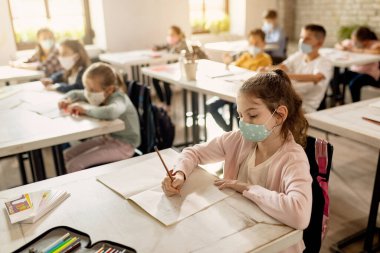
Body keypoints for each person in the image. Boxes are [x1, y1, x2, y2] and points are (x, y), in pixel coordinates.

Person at [162, 70, 312, 253]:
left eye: (252, 115)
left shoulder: (293, 158)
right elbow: (193, 153)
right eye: (240, 115)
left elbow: (300, 215)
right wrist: (180, 174)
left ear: (279, 115)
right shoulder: (239, 139)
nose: (244, 123)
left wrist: (246, 188)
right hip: (240, 233)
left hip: (276, 247)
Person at [58, 62, 141, 173]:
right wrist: (66, 99)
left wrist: (85, 111)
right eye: (86, 88)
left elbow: (112, 112)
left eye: (92, 90)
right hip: (108, 139)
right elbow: (76, 93)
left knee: (74, 165)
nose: (88, 93)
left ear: (109, 90)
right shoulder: (99, 93)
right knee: (65, 155)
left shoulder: (119, 98)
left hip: (125, 145)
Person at [209, 29, 272, 132]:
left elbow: (264, 81)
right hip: (233, 91)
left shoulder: (266, 59)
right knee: (211, 106)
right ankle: (228, 132)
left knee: (237, 109)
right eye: (251, 43)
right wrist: (228, 63)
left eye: (257, 43)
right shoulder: (245, 56)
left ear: (264, 44)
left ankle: (243, 137)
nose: (253, 46)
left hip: (248, 95)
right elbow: (233, 68)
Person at [262, 24, 332, 113]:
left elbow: (316, 77)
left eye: (307, 39)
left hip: (304, 107)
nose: (302, 41)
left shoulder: (324, 62)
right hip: (286, 100)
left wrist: (285, 75)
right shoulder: (299, 55)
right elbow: (282, 67)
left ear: (319, 43)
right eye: (301, 37)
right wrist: (267, 69)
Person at [334, 26, 380, 102]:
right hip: (355, 70)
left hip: (369, 73)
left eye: (355, 41)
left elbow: (377, 52)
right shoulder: (352, 43)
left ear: (365, 41)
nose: (353, 42)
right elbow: (338, 44)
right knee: (335, 79)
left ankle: (355, 102)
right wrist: (341, 47)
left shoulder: (375, 44)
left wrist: (355, 50)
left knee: (354, 84)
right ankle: (338, 98)